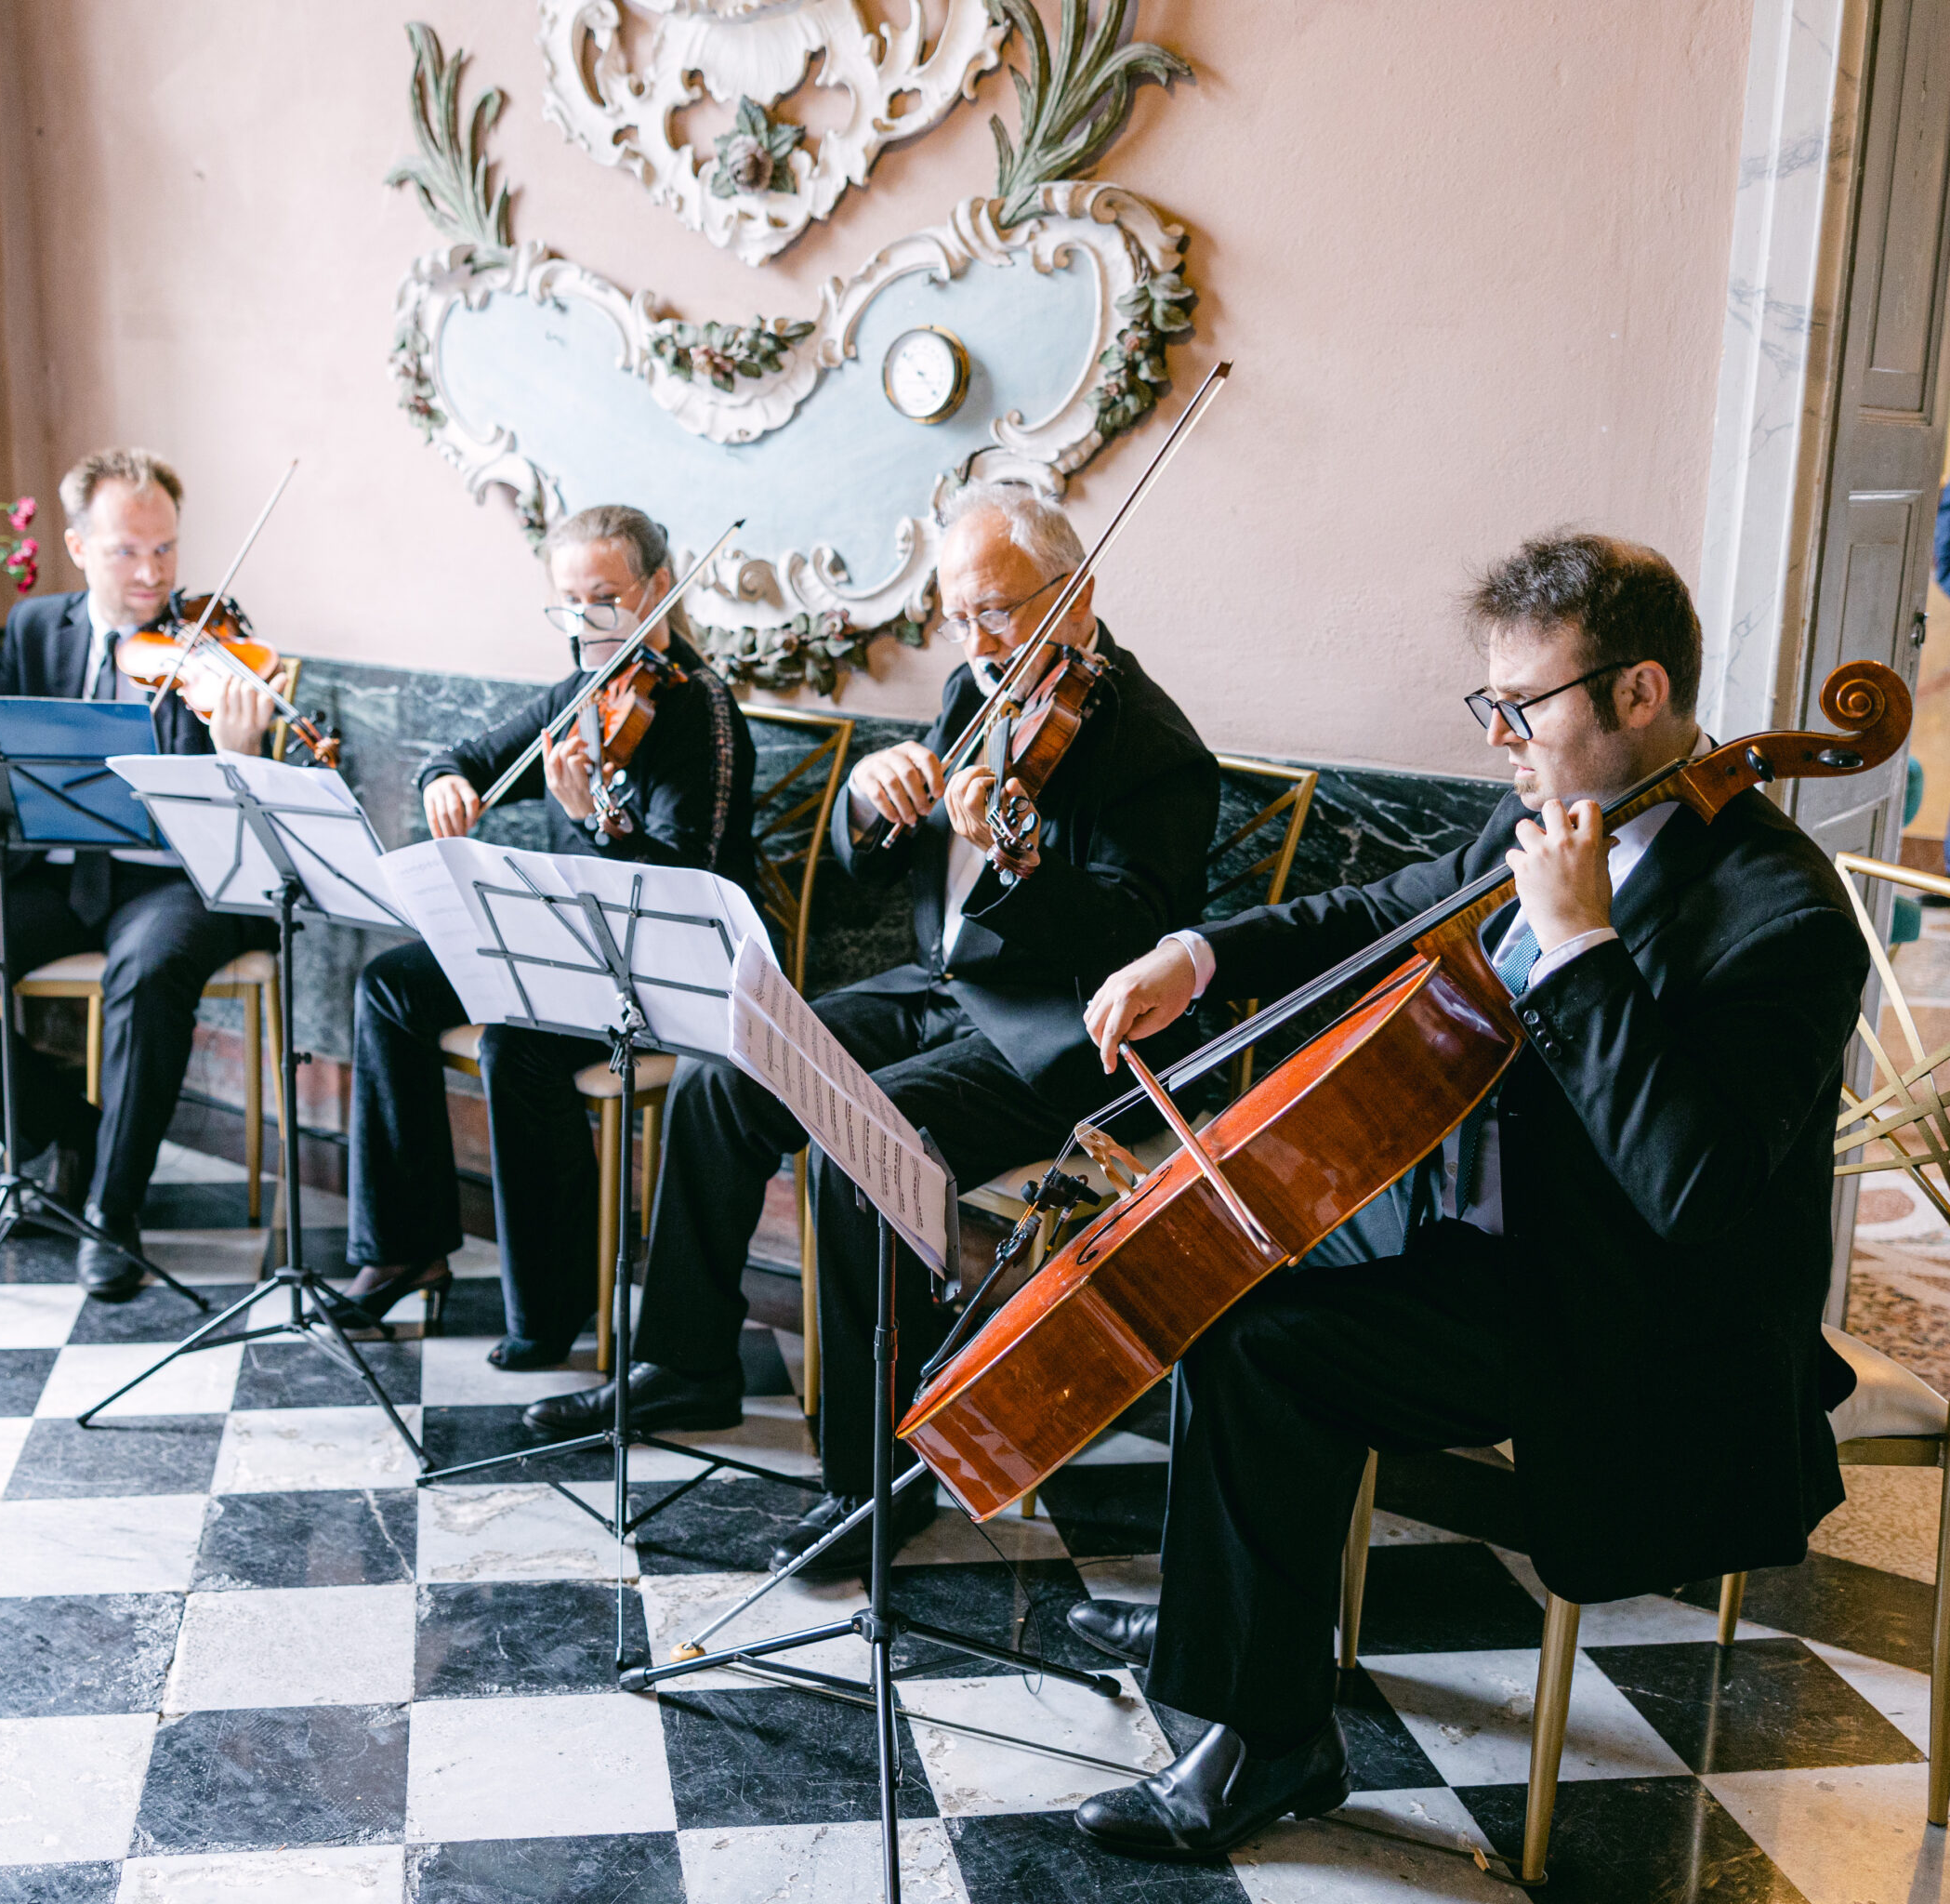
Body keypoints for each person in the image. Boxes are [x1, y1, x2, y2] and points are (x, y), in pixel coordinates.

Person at [1060, 533, 1867, 1859]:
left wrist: (1581, 944)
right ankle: (1234, 1616)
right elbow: (1388, 905)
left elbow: (1695, 1191)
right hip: (1484, 1244)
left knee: (1269, 1353)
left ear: (1642, 693)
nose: (1500, 736)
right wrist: (1198, 954)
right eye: (1487, 704)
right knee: (1232, 1263)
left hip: (1626, 1312)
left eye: (1525, 705)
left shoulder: (1782, 914)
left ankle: (1271, 1743)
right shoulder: (1538, 815)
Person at [521, 481, 1222, 1573]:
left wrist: (1022, 860)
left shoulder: (1154, 747)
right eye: (956, 613)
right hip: (945, 985)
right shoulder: (971, 687)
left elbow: (1132, 935)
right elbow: (875, 860)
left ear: (1077, 595)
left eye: (997, 609)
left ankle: (874, 1482)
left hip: (1058, 1027)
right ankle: (686, 1360)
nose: (976, 637)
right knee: (728, 1066)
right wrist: (867, 792)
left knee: (865, 1141)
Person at [340, 504, 757, 1364]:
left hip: (662, 964)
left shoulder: (702, 713)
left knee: (514, 1046)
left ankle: (549, 1309)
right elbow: (464, 755)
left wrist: (595, 818)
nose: (584, 626)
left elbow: (684, 887)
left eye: (603, 600)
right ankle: (404, 1245)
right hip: (568, 939)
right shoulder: (582, 694)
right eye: (568, 604)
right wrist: (444, 784)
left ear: (657, 590)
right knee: (389, 988)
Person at [0, 450, 283, 1300]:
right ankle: (71, 1134)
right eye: (128, 551)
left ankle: (114, 1210)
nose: (154, 573)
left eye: (166, 550)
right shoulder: (35, 629)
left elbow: (250, 814)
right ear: (78, 546)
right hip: (57, 877)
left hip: (172, 882)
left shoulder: (212, 645)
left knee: (152, 968)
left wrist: (240, 750)